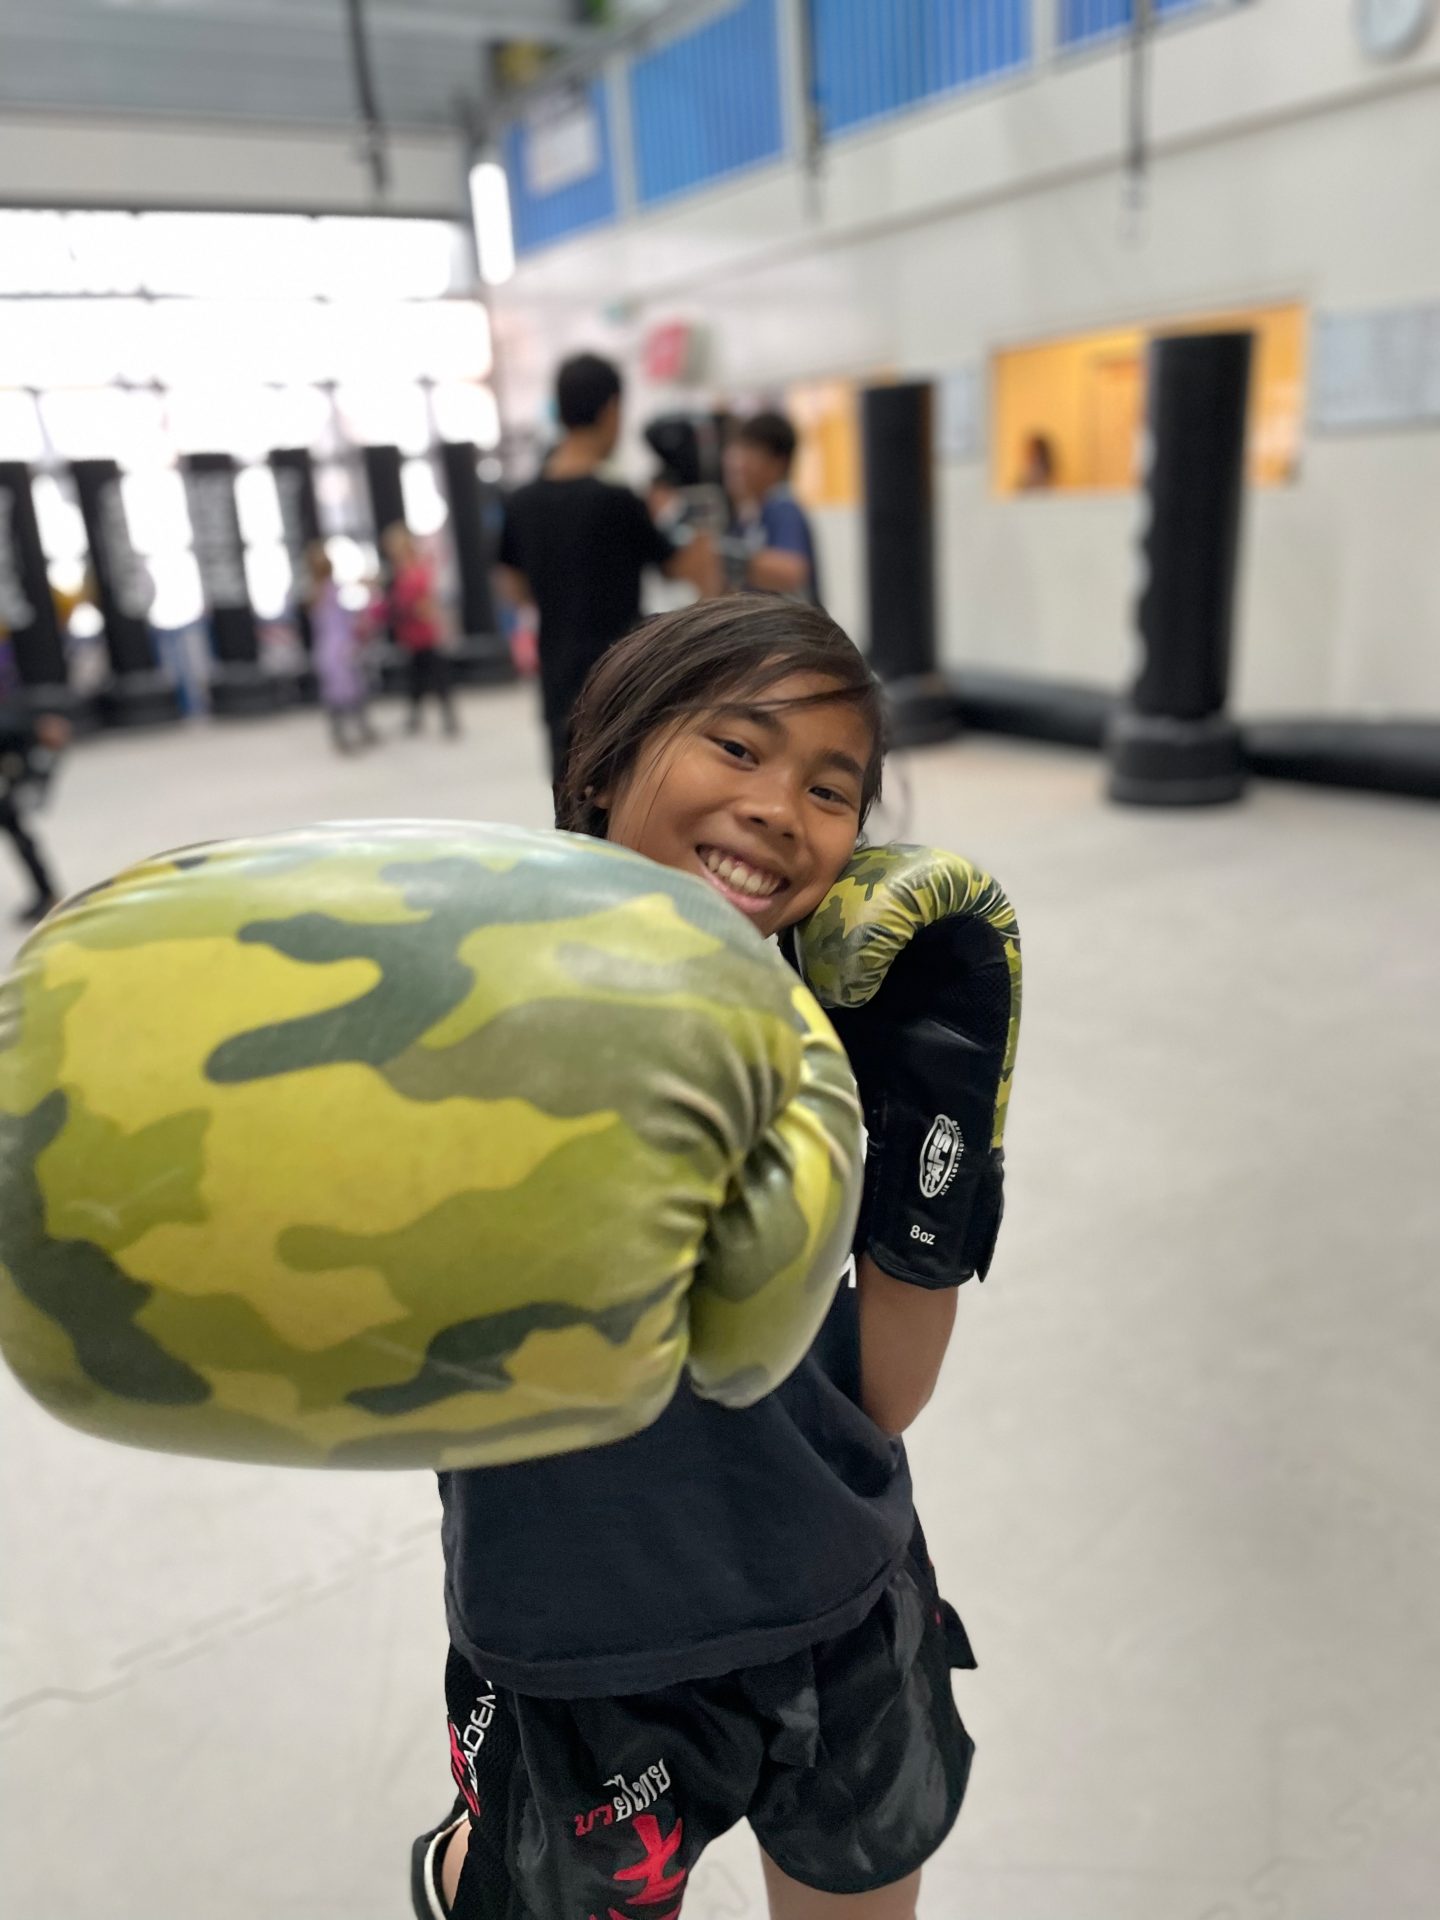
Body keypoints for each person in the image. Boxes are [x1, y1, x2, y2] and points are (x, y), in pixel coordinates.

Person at [412, 595, 979, 1920]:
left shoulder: (829, 1046)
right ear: (601, 762)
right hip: (576, 1651)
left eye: (832, 787)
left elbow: (887, 1398)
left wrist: (940, 1147)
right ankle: (468, 1857)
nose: (782, 806)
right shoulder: (469, 1023)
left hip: (840, 1599)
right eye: (736, 747)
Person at [495, 352, 718, 785]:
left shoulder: (521, 502)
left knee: (571, 807)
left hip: (557, 681)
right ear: (612, 408)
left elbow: (513, 589)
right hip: (623, 682)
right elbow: (679, 568)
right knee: (622, 805)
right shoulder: (617, 500)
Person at [722, 410, 822, 602]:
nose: (738, 463)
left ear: (778, 462)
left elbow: (792, 572)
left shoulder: (783, 507)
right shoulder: (749, 514)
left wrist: (720, 556)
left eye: (749, 452)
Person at [381, 524, 459, 738]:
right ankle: (416, 717)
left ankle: (446, 718)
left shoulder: (417, 569)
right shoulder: (401, 571)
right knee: (417, 677)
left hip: (425, 631)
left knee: (436, 676)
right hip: (411, 632)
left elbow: (425, 602)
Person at [0, 696, 67, 923]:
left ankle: (47, 894)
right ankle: (46, 893)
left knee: (19, 833)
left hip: (20, 768)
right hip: (17, 765)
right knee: (18, 833)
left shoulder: (27, 735)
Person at [306, 540, 376, 753]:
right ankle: (355, 732)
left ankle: (347, 734)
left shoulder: (315, 593)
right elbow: (345, 620)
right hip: (340, 646)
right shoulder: (329, 591)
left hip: (327, 648)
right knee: (350, 690)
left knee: (339, 692)